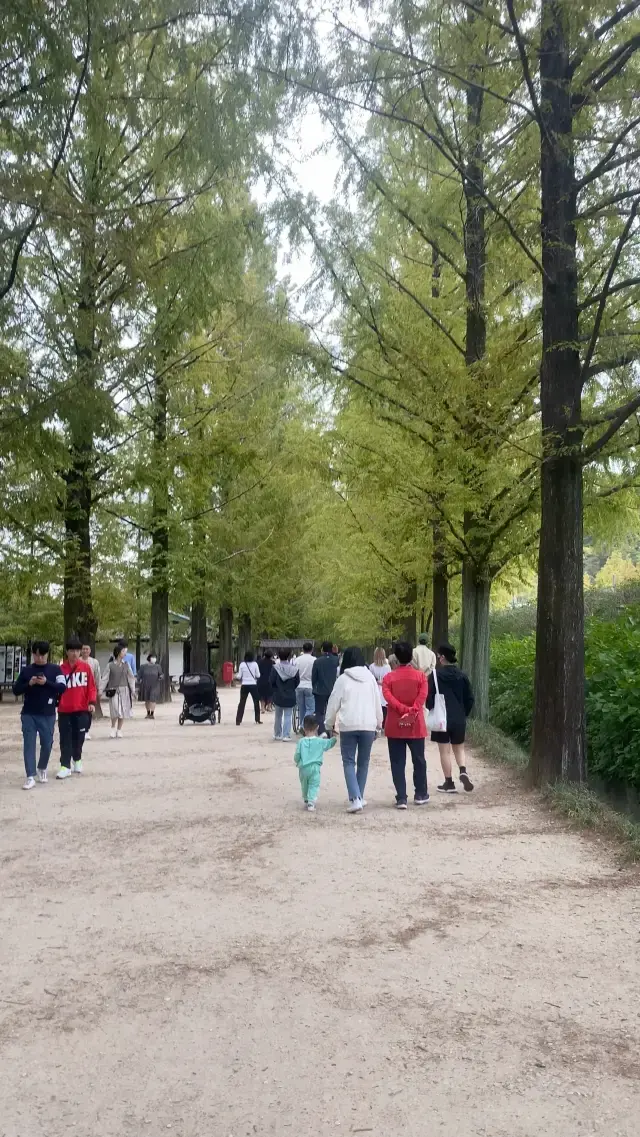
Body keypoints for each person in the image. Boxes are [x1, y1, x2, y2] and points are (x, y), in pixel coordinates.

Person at [325, 646, 383, 813]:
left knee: (349, 761)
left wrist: (329, 724)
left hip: (348, 725)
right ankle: (359, 796)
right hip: (368, 725)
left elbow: (333, 703)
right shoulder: (370, 678)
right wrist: (379, 724)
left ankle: (355, 798)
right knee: (363, 762)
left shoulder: (343, 679)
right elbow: (376, 703)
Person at [382, 640, 429, 809]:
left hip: (395, 724)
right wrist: (412, 710)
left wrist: (402, 709)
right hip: (415, 723)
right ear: (411, 656)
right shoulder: (421, 677)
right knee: (419, 760)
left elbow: (388, 697)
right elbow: (422, 697)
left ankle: (401, 797)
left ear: (395, 657)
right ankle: (421, 793)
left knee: (397, 762)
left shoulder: (388, 678)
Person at [13, 640, 66, 789]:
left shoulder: (55, 670)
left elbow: (62, 688)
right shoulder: (27, 670)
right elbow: (16, 689)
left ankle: (42, 767)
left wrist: (46, 683)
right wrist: (28, 684)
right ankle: (30, 776)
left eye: (42, 655)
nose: (39, 658)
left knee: (47, 744)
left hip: (47, 713)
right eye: (36, 655)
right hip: (28, 713)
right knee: (29, 744)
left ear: (47, 654)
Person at [427, 643, 475, 793]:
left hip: (442, 718)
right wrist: (463, 713)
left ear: (442, 657)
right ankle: (463, 770)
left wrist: (431, 709)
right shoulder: (462, 675)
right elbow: (470, 698)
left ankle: (449, 783)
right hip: (459, 717)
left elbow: (429, 698)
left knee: (444, 751)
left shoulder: (435, 675)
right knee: (459, 748)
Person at [56, 637, 97, 779]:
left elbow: (91, 687)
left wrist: (92, 702)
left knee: (79, 737)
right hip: (64, 710)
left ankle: (77, 758)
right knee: (65, 738)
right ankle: (65, 765)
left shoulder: (86, 668)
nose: (75, 653)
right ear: (67, 652)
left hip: (81, 709)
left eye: (77, 650)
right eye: (72, 650)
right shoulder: (60, 669)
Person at [294, 713, 337, 811]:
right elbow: (329, 743)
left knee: (304, 784)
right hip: (315, 767)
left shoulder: (301, 742)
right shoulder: (320, 741)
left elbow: (296, 756)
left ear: (304, 728)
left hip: (303, 768)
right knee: (314, 784)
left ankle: (306, 799)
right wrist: (334, 738)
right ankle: (311, 802)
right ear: (317, 728)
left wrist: (298, 761)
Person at [101, 642, 136, 738]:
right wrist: (100, 690)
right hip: (113, 690)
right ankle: (113, 728)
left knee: (123, 710)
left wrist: (133, 690)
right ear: (118, 652)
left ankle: (119, 729)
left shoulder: (126, 665)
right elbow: (105, 678)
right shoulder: (110, 665)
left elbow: (131, 678)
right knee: (115, 709)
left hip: (124, 690)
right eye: (123, 651)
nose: (125, 653)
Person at [270, 649, 299, 741]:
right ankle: (286, 735)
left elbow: (271, 681)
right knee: (288, 715)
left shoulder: (275, 668)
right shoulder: (294, 669)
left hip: (278, 694)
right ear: (289, 656)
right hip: (290, 694)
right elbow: (297, 682)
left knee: (278, 715)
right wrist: (291, 688)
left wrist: (276, 690)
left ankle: (277, 734)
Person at [311, 641, 340, 734]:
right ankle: (330, 729)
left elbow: (314, 677)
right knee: (332, 710)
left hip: (319, 690)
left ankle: (321, 731)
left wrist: (314, 686)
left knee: (319, 712)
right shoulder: (336, 660)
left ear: (322, 649)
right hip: (332, 689)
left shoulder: (317, 661)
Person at [81, 643, 102, 737]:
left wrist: (99, 689)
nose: (85, 651)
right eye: (83, 649)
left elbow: (98, 676)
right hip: (80, 689)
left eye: (87, 649)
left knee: (89, 710)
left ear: (90, 651)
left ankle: (86, 730)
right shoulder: (78, 661)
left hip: (90, 689)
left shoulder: (94, 662)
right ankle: (80, 729)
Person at [293, 641, 315, 731]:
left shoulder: (297, 660)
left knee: (301, 708)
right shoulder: (314, 660)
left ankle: (302, 725)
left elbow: (294, 673)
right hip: (310, 685)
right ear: (312, 650)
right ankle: (303, 725)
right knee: (310, 708)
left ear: (303, 649)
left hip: (299, 685)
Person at [235, 651, 262, 725]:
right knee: (256, 702)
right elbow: (258, 675)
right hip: (253, 685)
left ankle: (238, 720)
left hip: (244, 685)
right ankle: (257, 719)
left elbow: (239, 676)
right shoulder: (255, 664)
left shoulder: (242, 664)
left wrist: (235, 676)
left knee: (242, 702)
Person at [369, 647, 392, 727]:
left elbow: (370, 678)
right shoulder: (387, 667)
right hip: (384, 688)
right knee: (384, 707)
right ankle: (383, 724)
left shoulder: (371, 666)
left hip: (375, 688)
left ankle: (376, 724)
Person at [138, 652, 163, 718]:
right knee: (147, 699)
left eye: (155, 657)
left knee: (153, 699)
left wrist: (161, 677)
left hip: (155, 685)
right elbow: (139, 675)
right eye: (153, 657)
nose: (154, 659)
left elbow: (161, 674)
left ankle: (152, 714)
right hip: (145, 685)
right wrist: (138, 680)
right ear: (149, 658)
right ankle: (148, 713)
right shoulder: (143, 666)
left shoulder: (158, 666)